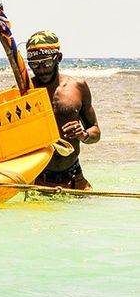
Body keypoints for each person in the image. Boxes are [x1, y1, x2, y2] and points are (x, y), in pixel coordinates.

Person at [26, 30, 100, 189]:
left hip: (75, 178)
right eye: (34, 65)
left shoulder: (78, 87)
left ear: (58, 58)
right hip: (38, 179)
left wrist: (83, 135)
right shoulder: (24, 91)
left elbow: (95, 131)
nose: (41, 70)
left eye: (46, 63)